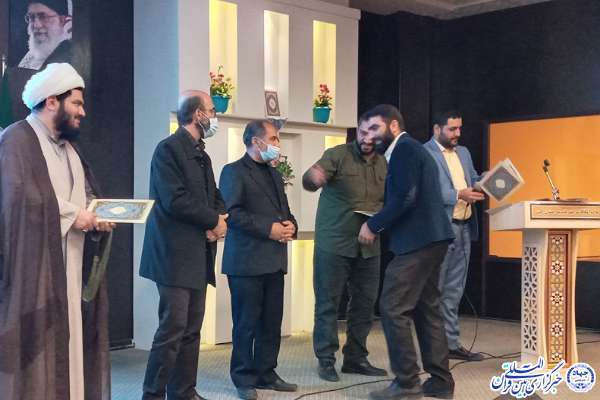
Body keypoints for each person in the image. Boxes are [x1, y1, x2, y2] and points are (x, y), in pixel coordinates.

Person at [0, 62, 114, 400]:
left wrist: (97, 217)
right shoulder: (16, 140)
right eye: (76, 103)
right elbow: (18, 200)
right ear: (52, 101)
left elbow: (85, 196)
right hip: (33, 275)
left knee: (71, 346)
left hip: (71, 268)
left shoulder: (70, 149)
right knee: (37, 354)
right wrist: (74, 216)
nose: (82, 111)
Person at [357, 104, 455, 400]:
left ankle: (407, 383)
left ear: (394, 126)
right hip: (432, 239)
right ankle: (440, 381)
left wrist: (373, 224)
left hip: (418, 242)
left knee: (392, 306)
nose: (369, 136)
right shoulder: (408, 150)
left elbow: (405, 197)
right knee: (427, 308)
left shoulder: (404, 149)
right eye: (366, 130)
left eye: (375, 128)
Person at [139, 90, 228, 400]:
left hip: (198, 255)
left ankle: (184, 392)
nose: (215, 116)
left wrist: (220, 219)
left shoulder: (202, 154)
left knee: (191, 330)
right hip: (173, 256)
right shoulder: (168, 149)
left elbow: (215, 196)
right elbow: (174, 200)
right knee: (172, 329)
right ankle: (152, 395)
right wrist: (212, 221)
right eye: (212, 110)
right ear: (197, 114)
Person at [302, 120, 387, 382]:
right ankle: (326, 359)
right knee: (328, 303)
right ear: (357, 131)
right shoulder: (337, 155)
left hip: (369, 246)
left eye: (373, 134)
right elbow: (309, 180)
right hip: (334, 243)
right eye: (363, 132)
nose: (367, 139)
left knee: (365, 303)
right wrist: (313, 178)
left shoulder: (384, 163)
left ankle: (355, 358)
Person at [219, 120, 298, 400]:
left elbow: (284, 211)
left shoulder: (274, 174)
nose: (278, 144)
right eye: (274, 138)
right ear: (256, 141)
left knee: (271, 322)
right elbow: (233, 214)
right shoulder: (233, 172)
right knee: (246, 324)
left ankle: (267, 372)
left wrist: (291, 226)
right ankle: (243, 377)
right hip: (246, 262)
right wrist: (269, 229)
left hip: (274, 260)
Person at [424, 110, 485, 362]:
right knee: (435, 290)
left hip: (464, 227)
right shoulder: (424, 153)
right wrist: (459, 194)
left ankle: (451, 343)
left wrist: (486, 181)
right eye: (452, 129)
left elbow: (473, 180)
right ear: (437, 129)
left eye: (459, 128)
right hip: (441, 230)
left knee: (454, 290)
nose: (457, 133)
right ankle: (433, 347)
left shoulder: (464, 152)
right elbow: (426, 192)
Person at [19, 1, 73, 70]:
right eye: (31, 17)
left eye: (43, 17)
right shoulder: (30, 57)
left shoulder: (72, 56)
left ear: (63, 21)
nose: (36, 25)